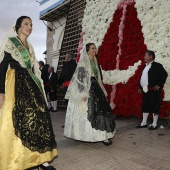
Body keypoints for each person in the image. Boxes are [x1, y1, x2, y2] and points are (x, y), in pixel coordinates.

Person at [0, 16, 57, 170]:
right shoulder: (11, 43)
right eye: (26, 24)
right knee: (18, 120)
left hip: (31, 85)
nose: (29, 27)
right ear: (18, 26)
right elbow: (2, 67)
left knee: (39, 118)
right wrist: (1, 92)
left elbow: (33, 70)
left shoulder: (30, 47)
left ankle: (41, 159)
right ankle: (19, 159)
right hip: (15, 84)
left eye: (31, 24)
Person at [64, 43, 116, 145]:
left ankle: (104, 136)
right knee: (90, 111)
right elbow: (79, 78)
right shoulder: (84, 61)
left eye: (95, 48)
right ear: (87, 50)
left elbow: (97, 78)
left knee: (102, 110)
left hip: (95, 87)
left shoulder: (95, 60)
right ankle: (88, 135)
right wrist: (83, 93)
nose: (95, 50)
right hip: (87, 89)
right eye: (92, 48)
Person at [136, 50, 168, 130]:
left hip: (153, 90)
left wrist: (159, 85)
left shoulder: (157, 65)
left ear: (151, 57)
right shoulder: (145, 66)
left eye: (146, 55)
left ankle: (154, 124)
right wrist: (140, 87)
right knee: (145, 106)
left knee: (155, 106)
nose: (144, 57)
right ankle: (144, 123)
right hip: (145, 90)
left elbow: (164, 74)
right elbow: (143, 78)